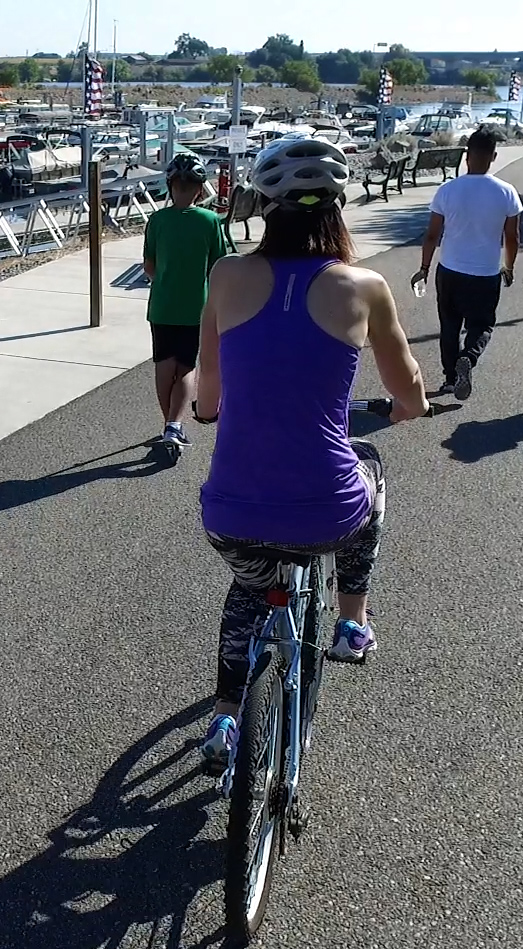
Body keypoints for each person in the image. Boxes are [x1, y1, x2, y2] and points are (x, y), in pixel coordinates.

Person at [191, 138, 430, 773]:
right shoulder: (365, 286)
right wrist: (408, 407)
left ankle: (224, 716)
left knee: (250, 585)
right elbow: (408, 391)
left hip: (231, 512)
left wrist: (209, 414)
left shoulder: (227, 276)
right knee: (371, 472)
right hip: (327, 512)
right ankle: (352, 620)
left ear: (263, 207)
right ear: (339, 207)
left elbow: (207, 390)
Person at [409, 128, 523, 401]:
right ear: (493, 157)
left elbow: (432, 235)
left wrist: (424, 268)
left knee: (449, 325)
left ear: (466, 156)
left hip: (449, 270)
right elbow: (512, 237)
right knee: (482, 325)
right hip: (485, 273)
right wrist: (509, 266)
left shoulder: (447, 191)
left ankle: (450, 379)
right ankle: (468, 359)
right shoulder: (506, 192)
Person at [143, 153, 232, 451]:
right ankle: (174, 425)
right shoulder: (209, 220)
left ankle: (167, 423)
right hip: (196, 306)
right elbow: (218, 265)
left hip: (162, 305)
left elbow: (149, 266)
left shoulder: (157, 220)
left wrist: (166, 281)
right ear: (199, 188)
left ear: (170, 186)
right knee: (185, 366)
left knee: (163, 364)